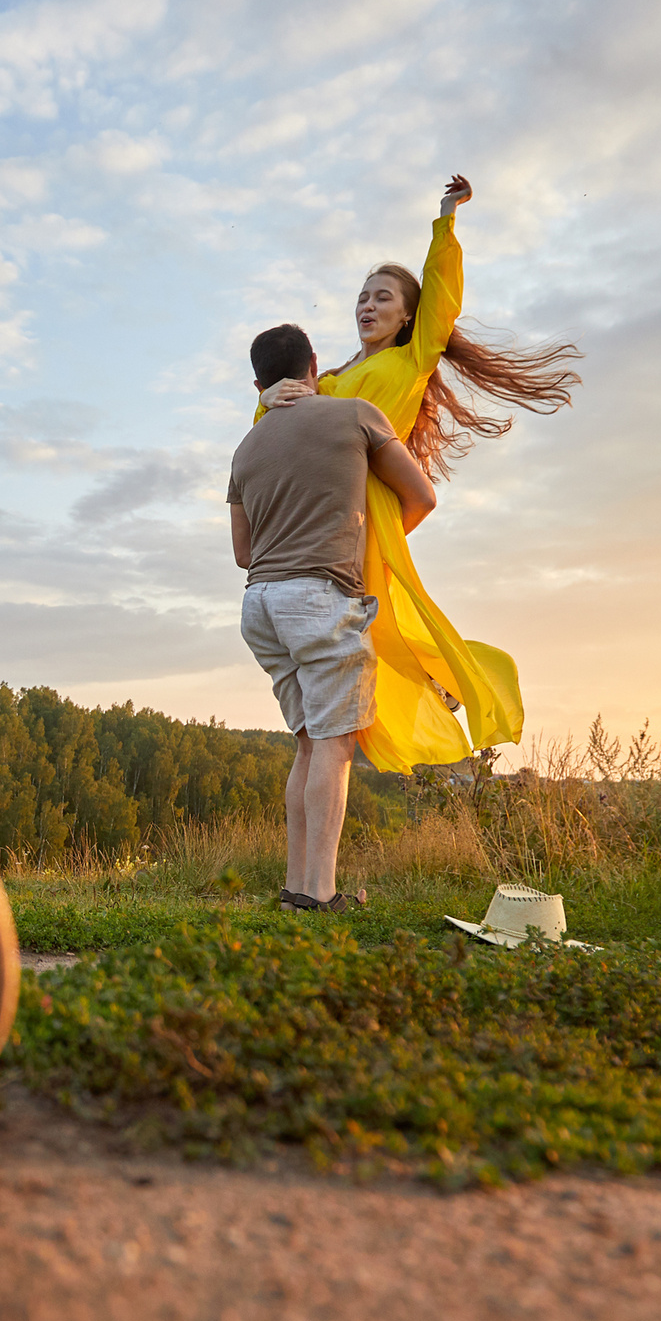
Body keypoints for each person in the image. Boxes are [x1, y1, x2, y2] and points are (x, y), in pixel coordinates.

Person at [256, 177, 580, 779]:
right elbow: (277, 427)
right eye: (362, 296)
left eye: (383, 297)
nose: (367, 305)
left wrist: (445, 223)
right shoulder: (327, 380)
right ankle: (433, 687)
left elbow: (442, 303)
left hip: (368, 506)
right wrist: (269, 394)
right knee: (378, 629)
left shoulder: (409, 359)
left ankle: (441, 687)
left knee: (383, 623)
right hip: (330, 513)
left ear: (407, 316)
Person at [230, 322, 437, 911]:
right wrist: (374, 548)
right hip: (320, 598)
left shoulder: (246, 448)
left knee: (308, 745)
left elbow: (243, 553)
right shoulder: (356, 415)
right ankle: (320, 895)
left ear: (258, 383)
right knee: (335, 748)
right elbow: (421, 497)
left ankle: (297, 887)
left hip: (261, 605)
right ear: (315, 364)